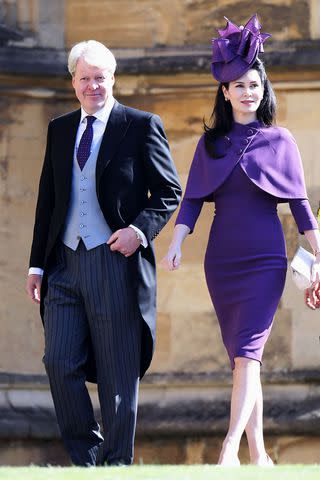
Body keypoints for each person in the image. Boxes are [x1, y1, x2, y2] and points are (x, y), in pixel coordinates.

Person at [161, 15, 320, 466]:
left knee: (248, 356)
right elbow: (191, 201)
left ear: (262, 89)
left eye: (254, 84)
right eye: (238, 85)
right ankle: (261, 454)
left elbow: (301, 206)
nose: (248, 91)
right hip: (222, 263)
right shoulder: (209, 144)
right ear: (225, 92)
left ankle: (229, 448)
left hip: (265, 262)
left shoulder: (281, 141)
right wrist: (175, 243)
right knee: (243, 362)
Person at [26, 40, 181, 466]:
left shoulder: (140, 124)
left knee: (117, 371)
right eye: (85, 78)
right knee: (59, 362)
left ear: (113, 79)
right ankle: (87, 459)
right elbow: (48, 200)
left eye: (101, 78)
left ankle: (115, 467)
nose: (93, 86)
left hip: (114, 260)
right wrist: (37, 264)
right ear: (73, 81)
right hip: (62, 264)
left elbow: (169, 192)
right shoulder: (59, 129)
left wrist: (138, 231)